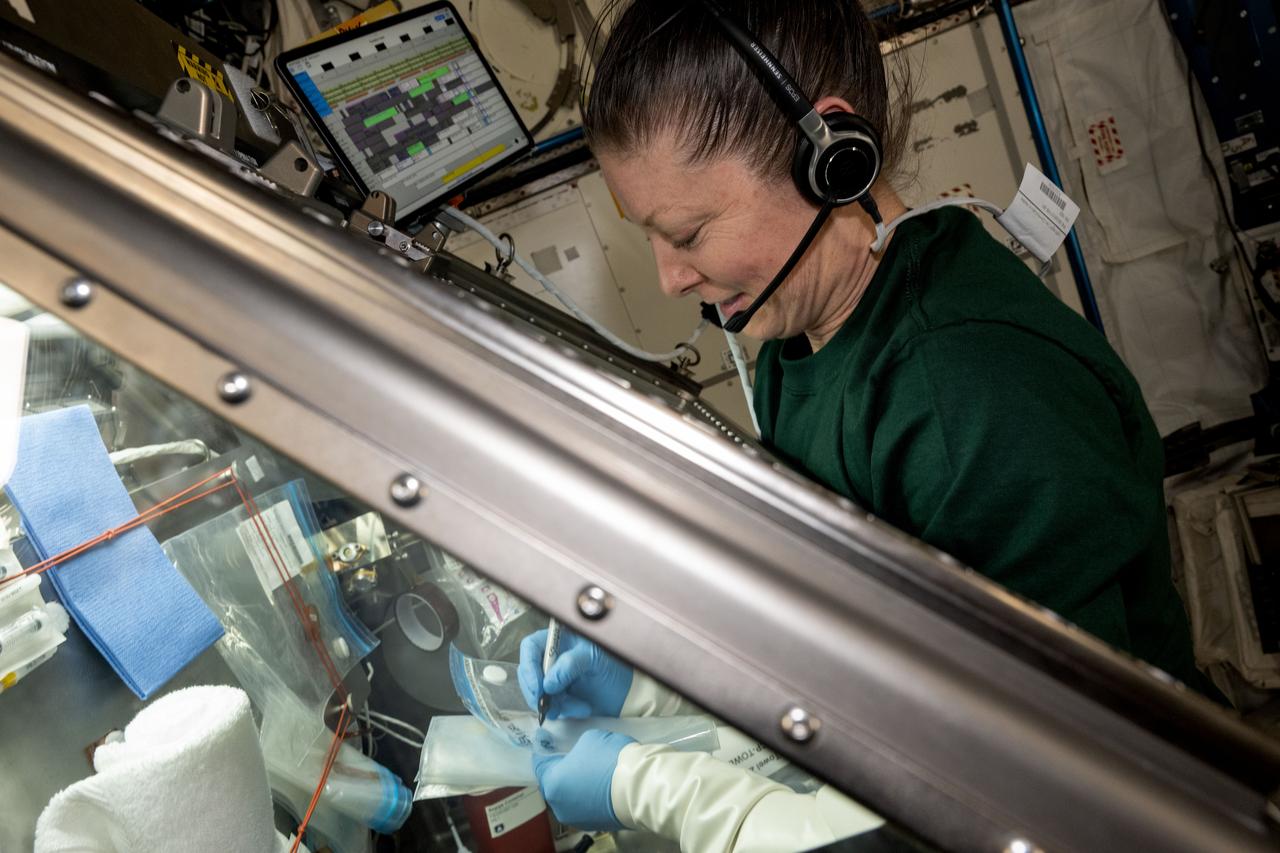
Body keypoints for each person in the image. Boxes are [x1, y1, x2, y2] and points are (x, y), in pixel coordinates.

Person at [518, 0, 1204, 847]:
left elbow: (1022, 814)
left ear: (829, 155)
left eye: (689, 231)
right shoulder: (802, 333)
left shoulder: (969, 397)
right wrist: (663, 680)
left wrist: (664, 790)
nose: (668, 278)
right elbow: (854, 632)